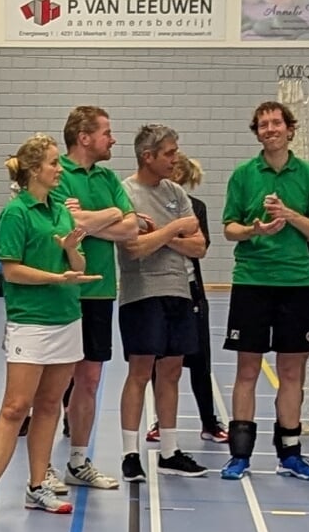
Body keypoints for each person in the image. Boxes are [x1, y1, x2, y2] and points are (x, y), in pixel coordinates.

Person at [0, 134, 97, 518]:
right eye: (54, 164)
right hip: (30, 322)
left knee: (47, 406)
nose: (60, 170)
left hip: (66, 319)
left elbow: (78, 266)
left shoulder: (61, 208)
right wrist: (55, 279)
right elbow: (11, 270)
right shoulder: (16, 213)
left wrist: (73, 247)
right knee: (15, 407)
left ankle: (37, 486)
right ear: (33, 171)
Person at [219, 101, 309, 481]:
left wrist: (289, 216)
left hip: (296, 283)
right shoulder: (243, 174)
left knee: (291, 371)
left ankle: (291, 453)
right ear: (257, 131)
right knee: (247, 370)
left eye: (276, 123)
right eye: (263, 124)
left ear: (289, 129)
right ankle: (240, 455)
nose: (270, 129)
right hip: (252, 280)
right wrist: (254, 229)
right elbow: (228, 228)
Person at [52, 105, 140, 489]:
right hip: (63, 288)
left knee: (89, 379)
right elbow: (63, 226)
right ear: (84, 137)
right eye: (107, 132)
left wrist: (89, 219)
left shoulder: (107, 177)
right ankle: (42, 469)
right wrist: (108, 216)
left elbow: (132, 227)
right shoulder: (56, 173)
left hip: (100, 290)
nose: (113, 139)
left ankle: (77, 460)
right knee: (52, 383)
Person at [116, 124, 210, 479]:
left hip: (180, 289)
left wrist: (159, 234)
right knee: (140, 371)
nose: (175, 159)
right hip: (142, 291)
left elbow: (198, 246)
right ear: (148, 156)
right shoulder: (125, 192)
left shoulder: (176, 193)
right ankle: (129, 453)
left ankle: (169, 451)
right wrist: (174, 230)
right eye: (169, 153)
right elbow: (135, 249)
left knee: (171, 372)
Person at [171, 153, 228, 444]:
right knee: (162, 362)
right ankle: (160, 422)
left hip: (192, 291)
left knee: (200, 361)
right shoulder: (147, 205)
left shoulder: (196, 208)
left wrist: (166, 238)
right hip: (161, 290)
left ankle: (209, 421)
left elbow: (198, 248)